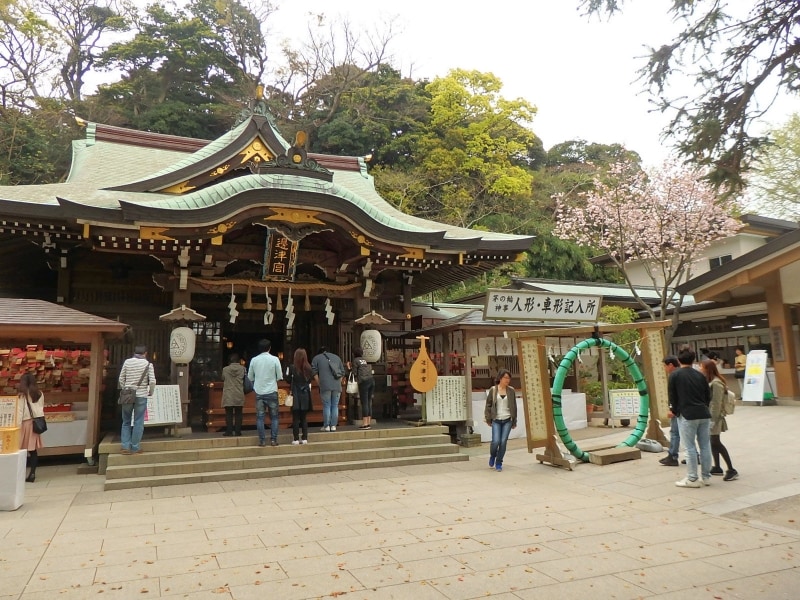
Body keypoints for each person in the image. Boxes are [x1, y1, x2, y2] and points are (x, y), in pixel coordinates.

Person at [668, 346, 712, 488]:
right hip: (704, 413)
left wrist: (674, 410)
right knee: (705, 446)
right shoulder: (700, 375)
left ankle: (692, 478)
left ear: (678, 359)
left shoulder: (675, 375)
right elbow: (708, 395)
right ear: (693, 359)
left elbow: (673, 397)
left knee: (690, 447)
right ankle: (706, 476)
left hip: (687, 414)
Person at [700, 359, 739, 481]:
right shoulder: (711, 380)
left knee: (716, 442)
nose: (700, 369)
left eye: (702, 367)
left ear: (708, 369)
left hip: (715, 417)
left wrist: (712, 420)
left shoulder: (716, 383)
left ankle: (731, 469)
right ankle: (717, 467)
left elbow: (716, 403)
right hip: (711, 416)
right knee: (713, 442)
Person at [118, 345, 156, 455]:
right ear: (145, 353)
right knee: (138, 421)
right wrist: (151, 391)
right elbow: (152, 381)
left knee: (126, 421)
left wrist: (126, 388)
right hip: (141, 395)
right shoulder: (148, 364)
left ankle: (125, 446)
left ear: (134, 352)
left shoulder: (127, 362)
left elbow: (121, 378)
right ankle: (135, 447)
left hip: (127, 394)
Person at [248, 339, 283, 447]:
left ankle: (262, 441)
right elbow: (279, 376)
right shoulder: (275, 359)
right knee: (274, 417)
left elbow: (250, 377)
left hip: (259, 391)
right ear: (269, 348)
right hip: (272, 390)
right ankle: (273, 440)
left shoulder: (254, 360)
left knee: (260, 417)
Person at [484, 369, 517, 472]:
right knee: (495, 441)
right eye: (505, 378)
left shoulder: (511, 390)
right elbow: (488, 405)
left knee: (503, 442)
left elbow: (514, 406)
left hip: (508, 419)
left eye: (509, 378)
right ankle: (493, 455)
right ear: (500, 378)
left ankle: (499, 462)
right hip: (496, 419)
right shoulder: (493, 390)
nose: (507, 380)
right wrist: (488, 418)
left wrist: (514, 421)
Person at [312, 347, 345, 432]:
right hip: (337, 386)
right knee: (335, 405)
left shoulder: (316, 358)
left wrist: (320, 383)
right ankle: (333, 425)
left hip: (325, 385)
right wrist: (338, 382)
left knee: (326, 405)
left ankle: (326, 426)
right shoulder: (337, 358)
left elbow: (314, 372)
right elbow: (342, 372)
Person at [18, 373, 44, 482]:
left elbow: (20, 412)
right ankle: (32, 473)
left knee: (21, 450)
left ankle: (20, 474)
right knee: (33, 450)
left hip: (25, 424)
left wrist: (17, 426)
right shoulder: (39, 394)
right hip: (35, 424)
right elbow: (41, 408)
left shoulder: (22, 395)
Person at [286, 348, 313, 445]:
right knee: (304, 418)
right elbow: (310, 380)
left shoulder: (292, 367)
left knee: (296, 418)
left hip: (296, 393)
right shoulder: (309, 368)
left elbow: (288, 379)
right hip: (305, 393)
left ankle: (296, 439)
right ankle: (305, 438)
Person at [659, 356, 681, 467]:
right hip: (687, 409)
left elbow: (673, 395)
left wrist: (672, 409)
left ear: (671, 365)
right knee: (686, 434)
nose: (664, 368)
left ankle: (672, 456)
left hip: (678, 410)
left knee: (675, 433)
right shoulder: (685, 373)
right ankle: (695, 455)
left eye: (665, 366)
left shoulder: (674, 375)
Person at [221, 354, 245, 437]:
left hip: (228, 393)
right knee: (239, 413)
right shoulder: (243, 369)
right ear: (238, 361)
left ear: (230, 361)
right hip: (239, 393)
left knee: (228, 413)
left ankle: (229, 431)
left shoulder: (225, 369)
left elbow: (223, 378)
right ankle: (238, 431)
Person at [351, 346, 374, 430]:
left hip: (363, 382)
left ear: (354, 353)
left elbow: (354, 373)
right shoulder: (365, 360)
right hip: (371, 380)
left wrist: (349, 368)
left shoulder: (355, 360)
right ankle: (368, 422)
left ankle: (365, 424)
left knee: (364, 402)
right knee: (369, 401)